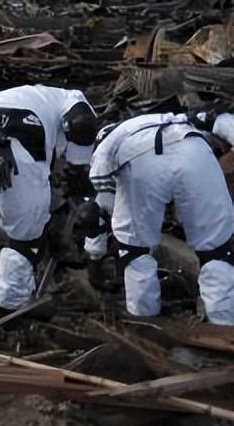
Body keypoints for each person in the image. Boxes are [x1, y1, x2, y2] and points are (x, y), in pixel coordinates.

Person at [0, 85, 97, 311]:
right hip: (13, 151)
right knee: (26, 237)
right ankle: (11, 307)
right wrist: (81, 178)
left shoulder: (23, 95)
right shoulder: (73, 98)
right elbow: (82, 123)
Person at [80, 109, 234, 324]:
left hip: (141, 161)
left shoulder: (106, 145)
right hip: (194, 151)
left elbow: (98, 210)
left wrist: (94, 256)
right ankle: (224, 326)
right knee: (216, 250)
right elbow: (221, 120)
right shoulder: (168, 117)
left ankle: (144, 321)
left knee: (135, 251)